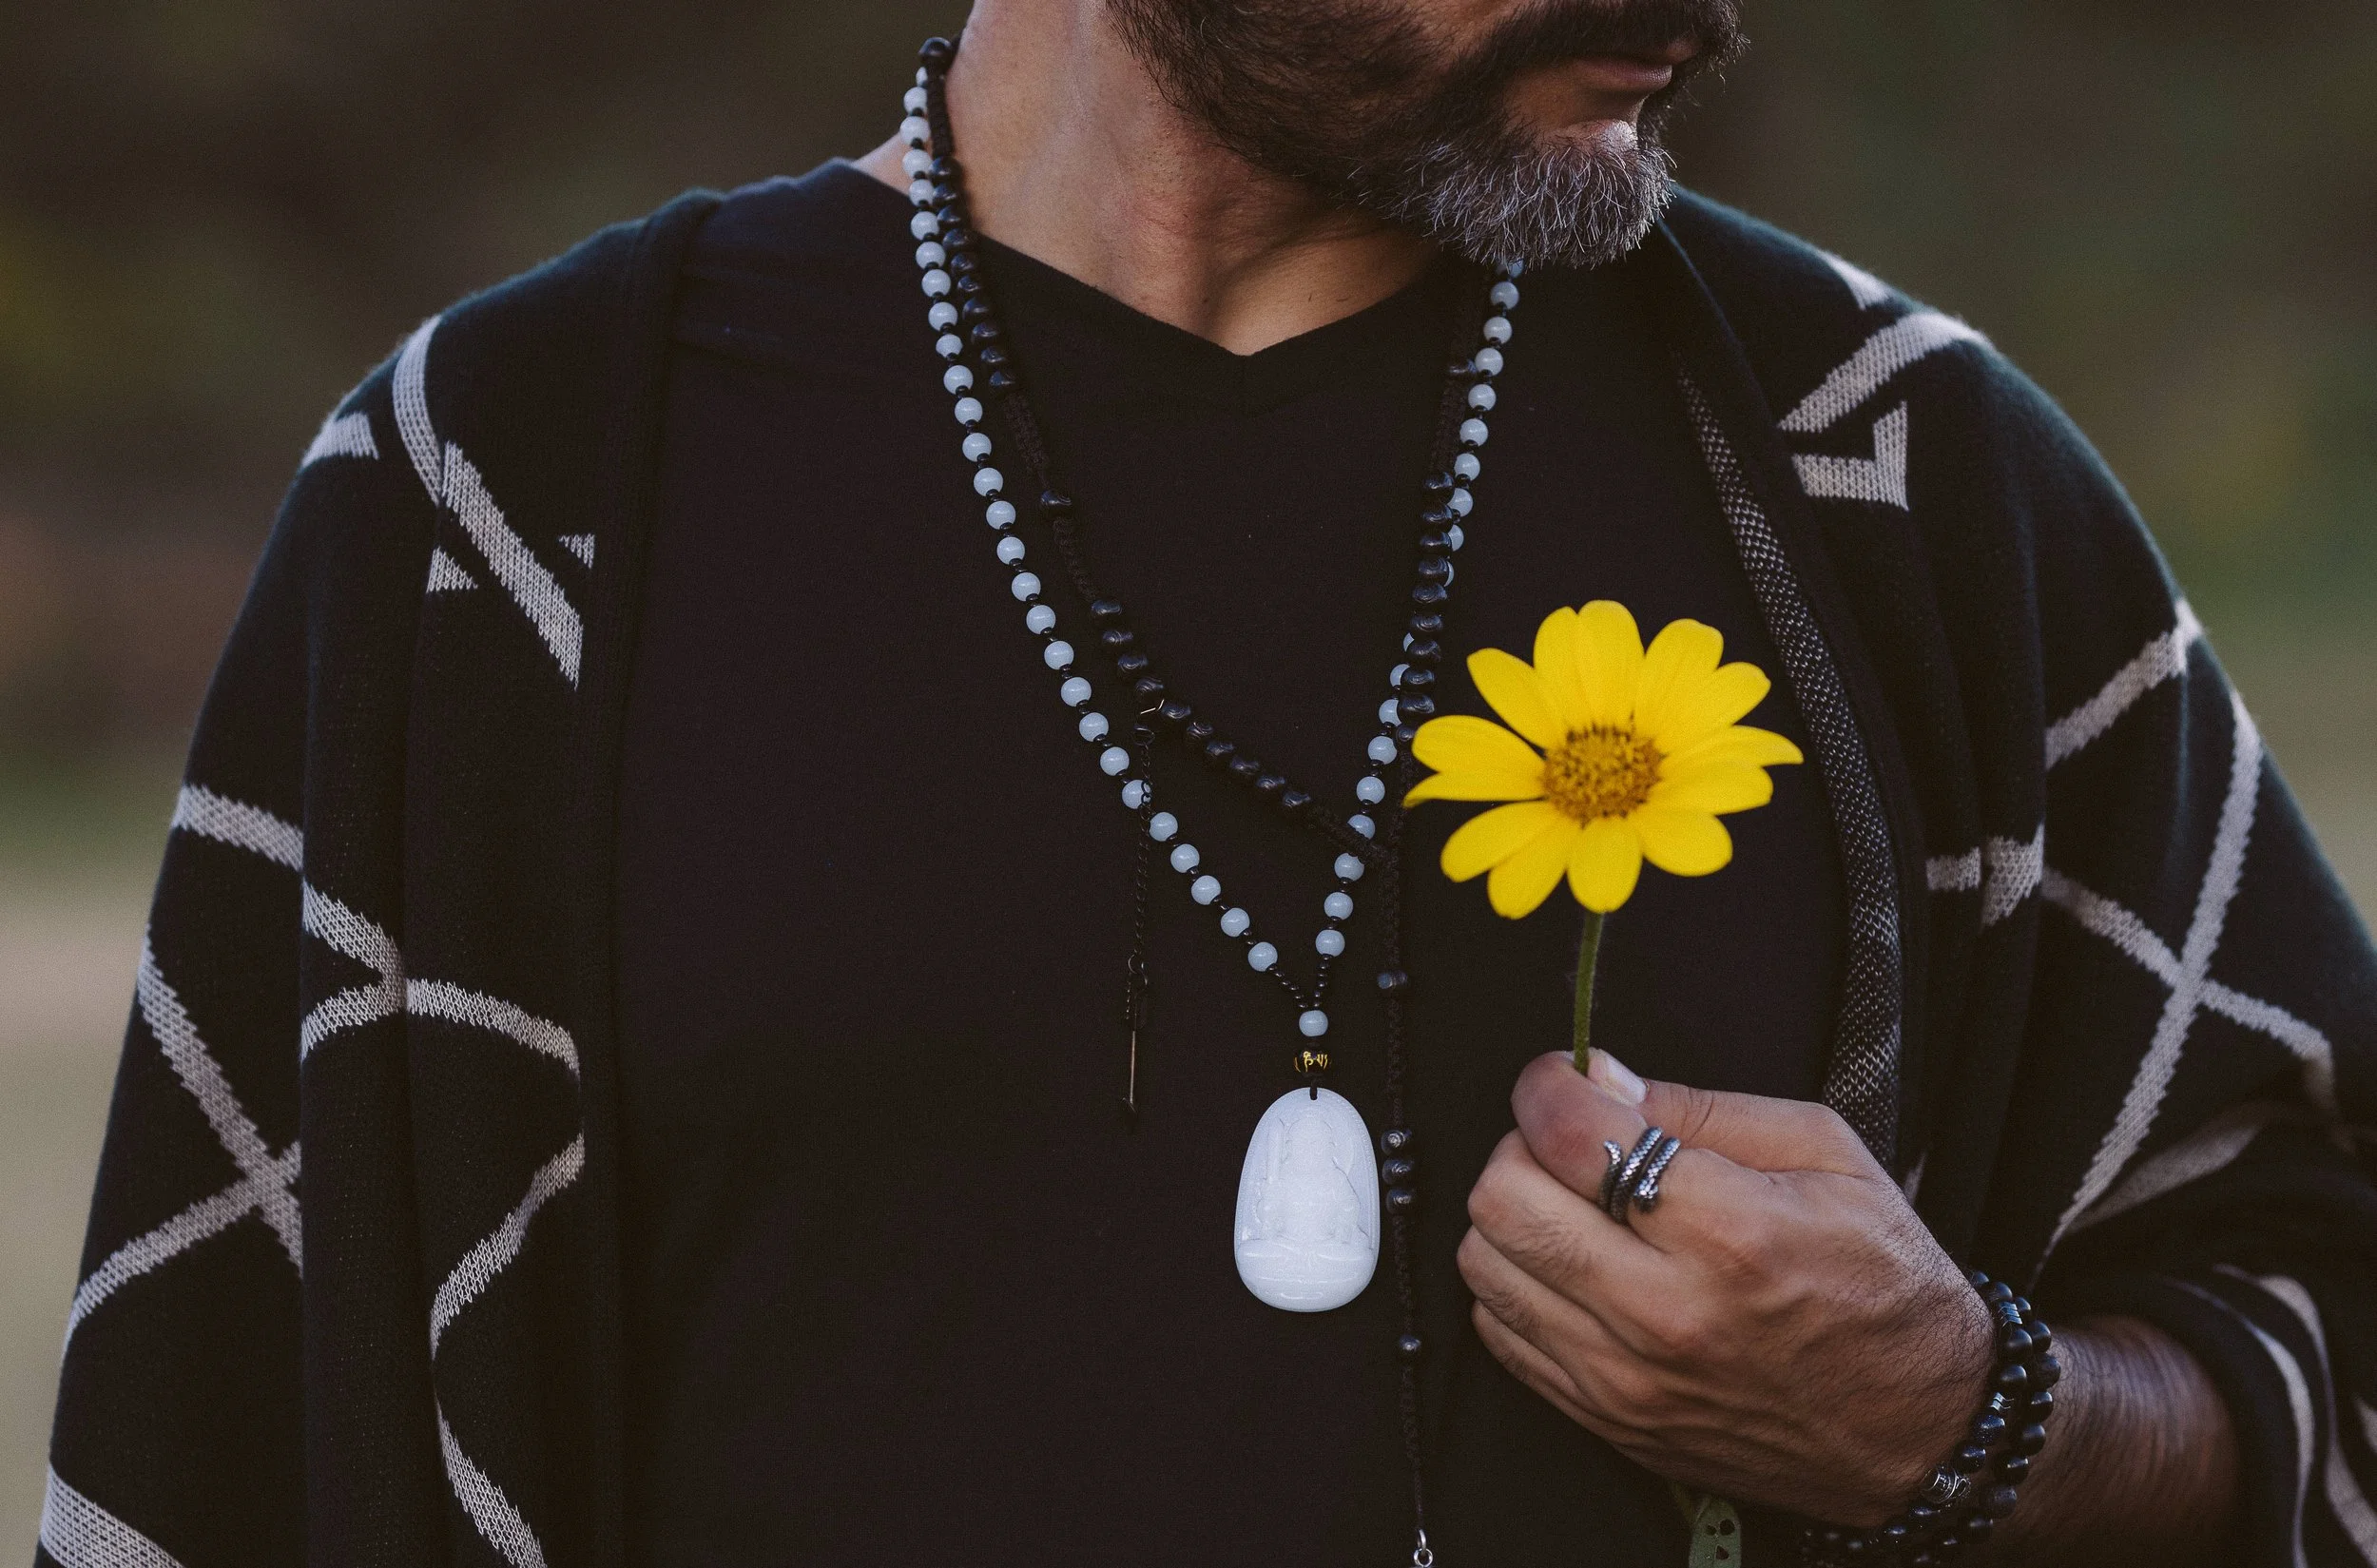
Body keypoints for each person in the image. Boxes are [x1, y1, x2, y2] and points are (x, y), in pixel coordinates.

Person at [38, 0, 2377, 1562]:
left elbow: (2326, 1318)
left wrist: (1965, 1415)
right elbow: (214, 1456)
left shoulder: (1894, 482)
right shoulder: (499, 512)